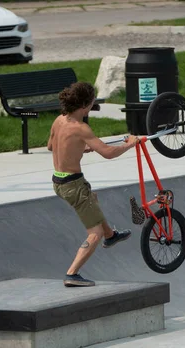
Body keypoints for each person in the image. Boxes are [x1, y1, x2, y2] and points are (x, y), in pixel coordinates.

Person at [48, 81, 140, 288]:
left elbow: (50, 146)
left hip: (58, 181)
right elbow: (107, 153)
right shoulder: (82, 128)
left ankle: (111, 235)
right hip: (73, 186)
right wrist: (129, 145)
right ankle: (72, 273)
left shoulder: (59, 120)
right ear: (85, 106)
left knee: (92, 199)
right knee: (93, 232)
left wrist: (78, 149)